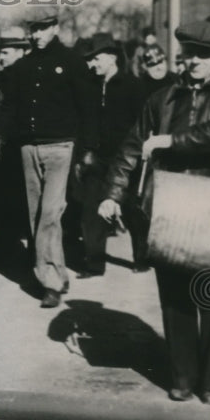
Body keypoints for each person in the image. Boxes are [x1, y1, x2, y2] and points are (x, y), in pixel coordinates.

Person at [99, 18, 210, 404]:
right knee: (175, 296)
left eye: (203, 55)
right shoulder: (161, 99)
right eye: (188, 54)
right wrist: (112, 194)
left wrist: (170, 141)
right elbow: (131, 148)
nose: (193, 62)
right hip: (170, 208)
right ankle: (183, 377)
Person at [3, 8, 99, 308]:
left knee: (50, 213)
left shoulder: (71, 63)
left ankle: (51, 283)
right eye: (33, 29)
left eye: (43, 28)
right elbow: (11, 108)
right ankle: (55, 272)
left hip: (61, 148)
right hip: (28, 148)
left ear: (55, 28)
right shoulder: (23, 67)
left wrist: (87, 150)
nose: (37, 35)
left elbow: (89, 109)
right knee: (36, 215)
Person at [76, 34, 148, 278]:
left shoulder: (133, 86)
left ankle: (141, 258)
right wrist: (84, 152)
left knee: (132, 210)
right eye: (90, 60)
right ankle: (94, 264)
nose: (92, 64)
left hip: (126, 160)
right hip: (96, 158)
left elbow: (143, 124)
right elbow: (84, 122)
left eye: (96, 59)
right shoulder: (90, 86)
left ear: (111, 57)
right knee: (91, 210)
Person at [0, 27, 32, 277]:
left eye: (5, 52)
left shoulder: (31, 77)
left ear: (20, 51)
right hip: (3, 148)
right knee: (3, 202)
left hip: (25, 147)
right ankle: (7, 252)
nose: (1, 57)